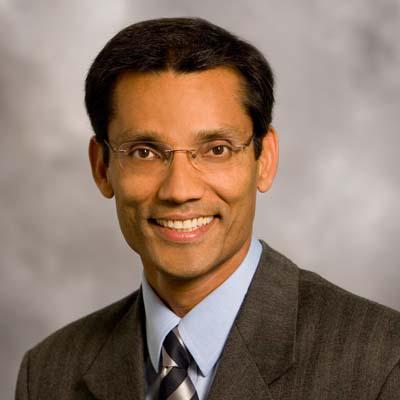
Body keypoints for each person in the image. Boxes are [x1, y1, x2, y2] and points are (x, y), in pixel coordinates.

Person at [15, 17, 400, 400]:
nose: (180, 190)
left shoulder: (382, 361)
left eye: (216, 149)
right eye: (145, 152)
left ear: (264, 160)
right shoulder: (48, 374)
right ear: (102, 168)